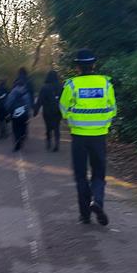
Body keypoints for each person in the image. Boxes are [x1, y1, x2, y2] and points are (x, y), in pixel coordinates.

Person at [59, 49, 117, 225]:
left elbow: (63, 109)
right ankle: (97, 201)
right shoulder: (105, 84)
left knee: (81, 176)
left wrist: (73, 118)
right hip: (99, 136)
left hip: (79, 137)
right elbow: (113, 109)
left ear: (77, 67)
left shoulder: (72, 85)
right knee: (99, 174)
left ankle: (85, 215)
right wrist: (103, 122)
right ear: (94, 65)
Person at [34, 70, 63, 152]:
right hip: (58, 110)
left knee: (48, 127)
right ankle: (57, 144)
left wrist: (36, 111)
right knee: (57, 127)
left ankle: (49, 142)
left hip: (47, 111)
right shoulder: (60, 86)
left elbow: (40, 100)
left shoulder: (45, 87)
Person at [5, 77, 33, 152]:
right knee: (23, 126)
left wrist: (8, 111)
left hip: (15, 113)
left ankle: (17, 141)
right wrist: (28, 112)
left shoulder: (12, 92)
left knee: (15, 128)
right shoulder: (26, 92)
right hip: (24, 113)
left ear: (16, 85)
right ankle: (22, 136)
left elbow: (8, 103)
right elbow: (28, 104)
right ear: (23, 85)